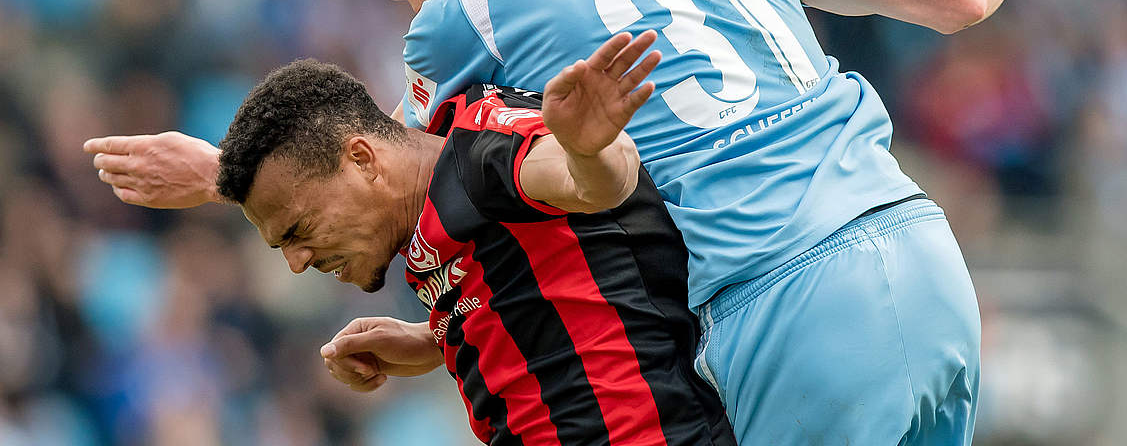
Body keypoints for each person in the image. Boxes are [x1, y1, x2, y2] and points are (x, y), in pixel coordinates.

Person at [87, 0, 1090, 444]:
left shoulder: (467, 7)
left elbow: (383, 172)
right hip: (922, 255)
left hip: (781, 302)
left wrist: (221, 171)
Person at [209, 31, 735, 445]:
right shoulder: (429, 206)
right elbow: (538, 290)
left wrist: (589, 148)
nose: (297, 263)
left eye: (297, 232)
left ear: (363, 160)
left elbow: (597, 183)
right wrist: (437, 341)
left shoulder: (482, 155)